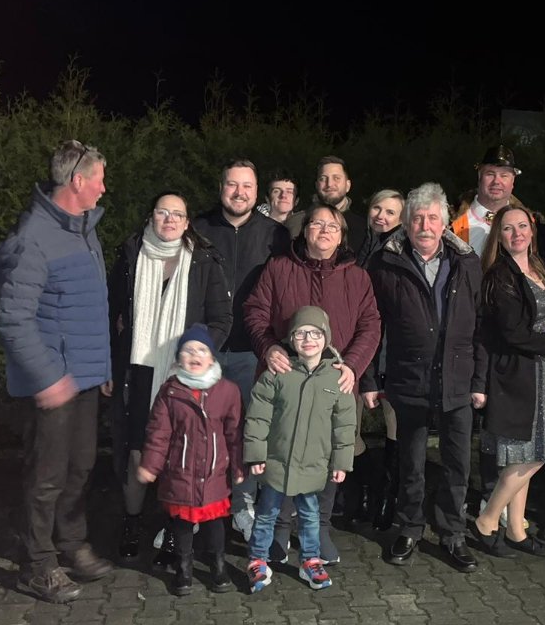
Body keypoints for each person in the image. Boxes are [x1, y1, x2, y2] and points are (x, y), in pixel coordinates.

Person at [0, 139, 115, 604]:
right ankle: (38, 564)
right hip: (54, 383)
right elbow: (13, 318)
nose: (104, 188)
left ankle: (71, 543)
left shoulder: (85, 230)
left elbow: (90, 309)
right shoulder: (33, 239)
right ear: (78, 181)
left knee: (80, 466)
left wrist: (102, 366)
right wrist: (47, 377)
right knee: (46, 476)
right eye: (99, 179)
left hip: (84, 378)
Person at [244, 202, 381, 564]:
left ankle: (318, 528)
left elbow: (370, 325)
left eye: (332, 226)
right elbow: (255, 312)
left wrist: (352, 365)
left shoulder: (358, 277)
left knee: (328, 456)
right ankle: (279, 527)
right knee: (282, 453)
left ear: (342, 236)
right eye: (316, 224)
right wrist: (268, 347)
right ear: (304, 232)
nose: (324, 231)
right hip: (284, 382)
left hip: (334, 385)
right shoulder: (279, 268)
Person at [363, 182, 486, 573]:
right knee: (411, 462)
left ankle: (452, 533)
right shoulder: (384, 264)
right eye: (417, 218)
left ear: (445, 223)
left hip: (457, 379)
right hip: (408, 378)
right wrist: (370, 379)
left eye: (433, 218)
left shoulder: (466, 262)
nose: (425, 225)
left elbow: (480, 325)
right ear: (407, 223)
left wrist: (479, 381)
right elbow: (372, 325)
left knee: (457, 464)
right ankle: (410, 527)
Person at [109, 191, 232, 563]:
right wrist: (110, 365)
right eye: (163, 212)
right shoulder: (131, 255)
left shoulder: (203, 260)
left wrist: (197, 355)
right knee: (137, 454)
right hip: (138, 371)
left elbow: (221, 319)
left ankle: (174, 532)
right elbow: (112, 312)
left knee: (179, 456)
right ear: (151, 217)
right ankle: (131, 522)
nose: (170, 219)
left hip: (181, 375)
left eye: (177, 214)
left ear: (187, 221)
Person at [450, 144, 545, 527]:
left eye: (505, 175)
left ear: (514, 180)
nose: (498, 181)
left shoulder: (528, 221)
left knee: (510, 428)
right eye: (491, 173)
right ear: (479, 175)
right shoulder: (456, 224)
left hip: (510, 337)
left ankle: (500, 507)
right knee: (480, 425)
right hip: (469, 332)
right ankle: (478, 505)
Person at [193, 159, 291, 539]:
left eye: (247, 186)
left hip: (253, 352)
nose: (240, 193)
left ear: (257, 191)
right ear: (221, 187)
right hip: (206, 351)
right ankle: (196, 505)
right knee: (201, 432)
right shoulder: (197, 229)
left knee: (251, 432)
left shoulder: (275, 235)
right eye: (233, 185)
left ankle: (242, 504)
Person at [469, 206, 545, 558]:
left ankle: (515, 529)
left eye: (522, 226)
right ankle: (487, 520)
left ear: (532, 229)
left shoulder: (537, 265)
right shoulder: (501, 276)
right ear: (499, 235)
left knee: (531, 452)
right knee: (532, 456)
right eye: (508, 228)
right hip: (516, 372)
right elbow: (512, 333)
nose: (517, 233)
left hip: (539, 372)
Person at [244, 306, 356, 592]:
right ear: (291, 339)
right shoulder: (276, 374)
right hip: (276, 462)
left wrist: (341, 462)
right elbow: (258, 417)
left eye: (316, 333)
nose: (308, 339)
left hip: (314, 466)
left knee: (310, 516)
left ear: (326, 338)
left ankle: (310, 560)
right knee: (266, 513)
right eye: (301, 333)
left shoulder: (336, 379)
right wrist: (256, 454)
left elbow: (344, 425)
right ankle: (257, 560)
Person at [136, 325, 243, 596]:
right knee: (182, 525)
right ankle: (183, 568)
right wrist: (150, 465)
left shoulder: (227, 391)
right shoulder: (170, 392)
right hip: (180, 472)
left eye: (202, 350)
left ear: (212, 357)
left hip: (214, 472)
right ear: (178, 359)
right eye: (188, 350)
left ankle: (218, 565)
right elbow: (158, 433)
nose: (195, 355)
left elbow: (234, 432)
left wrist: (239, 465)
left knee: (215, 523)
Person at [351, 188, 405, 528]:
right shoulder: (361, 246)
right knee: (348, 429)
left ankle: (388, 497)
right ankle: (368, 487)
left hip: (391, 351)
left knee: (395, 428)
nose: (381, 216)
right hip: (358, 347)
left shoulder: (402, 251)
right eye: (377, 208)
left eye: (390, 212)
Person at [286, 156, 367, 253]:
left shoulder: (363, 228)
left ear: (348, 185)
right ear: (317, 185)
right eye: (323, 179)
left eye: (336, 178)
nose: (329, 184)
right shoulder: (295, 223)